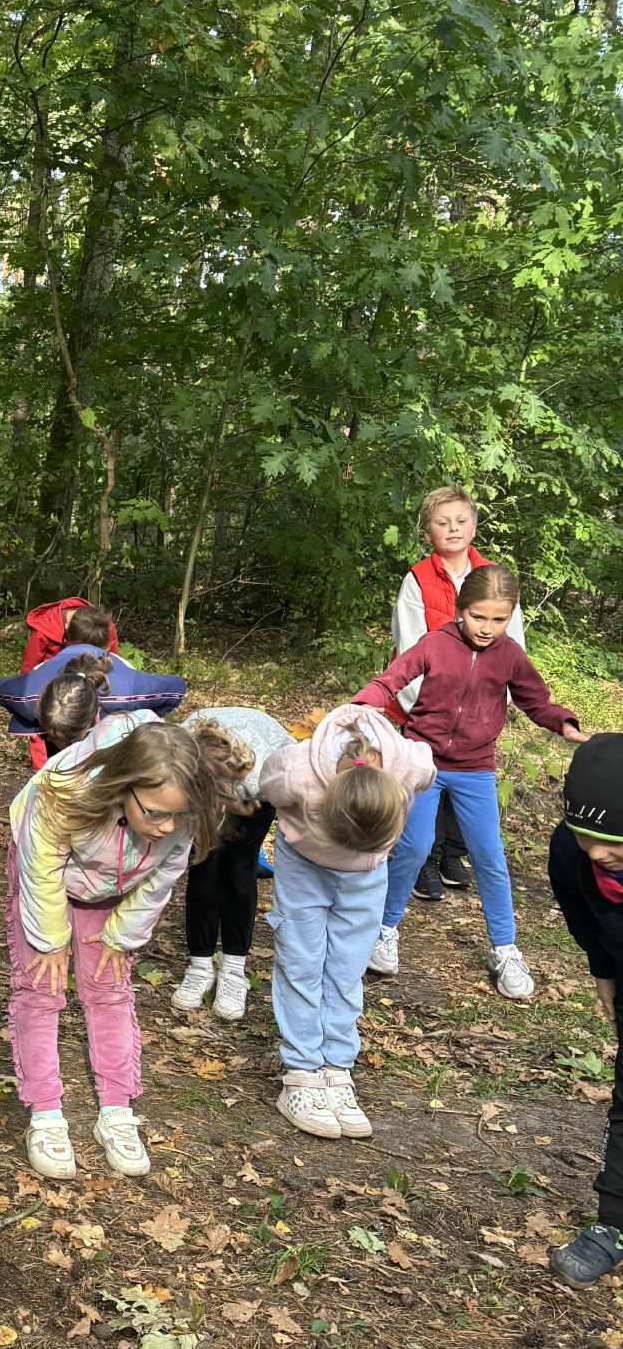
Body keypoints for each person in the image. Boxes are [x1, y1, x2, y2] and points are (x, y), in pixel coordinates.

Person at [358, 564, 587, 1000]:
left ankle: (505, 949)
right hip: (423, 760)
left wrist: (563, 723)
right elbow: (392, 679)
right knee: (413, 846)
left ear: (510, 617)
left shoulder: (509, 655)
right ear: (461, 609)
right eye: (478, 616)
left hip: (475, 768)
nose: (487, 628)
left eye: (499, 619)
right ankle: (384, 931)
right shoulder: (435, 644)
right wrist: (363, 704)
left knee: (489, 856)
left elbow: (536, 701)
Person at [8, 719, 224, 1182]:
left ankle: (117, 1110)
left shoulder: (180, 810)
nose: (167, 827)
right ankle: (45, 1113)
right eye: (156, 815)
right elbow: (42, 866)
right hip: (47, 876)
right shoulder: (64, 793)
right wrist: (50, 940)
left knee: (108, 989)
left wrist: (120, 935)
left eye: (178, 816)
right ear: (125, 787)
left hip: (113, 890)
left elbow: (162, 878)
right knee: (40, 988)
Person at [259, 707, 432, 1138]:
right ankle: (302, 1073)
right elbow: (267, 783)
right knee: (301, 961)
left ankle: (336, 1068)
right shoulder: (299, 770)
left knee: (346, 967)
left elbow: (428, 766)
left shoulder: (407, 764)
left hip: (366, 878)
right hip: (305, 867)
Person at [393, 486, 526, 902]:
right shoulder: (417, 580)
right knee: (428, 777)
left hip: (479, 705)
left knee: (467, 779)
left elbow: (513, 645)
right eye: (442, 522)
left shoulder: (495, 577)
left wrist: (496, 703)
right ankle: (425, 859)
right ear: (428, 530)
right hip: (428, 707)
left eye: (461, 521)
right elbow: (410, 648)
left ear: (474, 525)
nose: (453, 529)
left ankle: (452, 854)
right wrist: (426, 708)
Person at [547, 738, 623, 1285]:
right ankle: (614, 1224)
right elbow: (582, 916)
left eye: (613, 843)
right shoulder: (571, 855)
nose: (597, 854)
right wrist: (604, 971)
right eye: (585, 837)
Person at [168, 709, 294, 1021]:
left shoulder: (265, 778)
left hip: (259, 776)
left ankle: (234, 971)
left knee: (239, 870)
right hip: (206, 774)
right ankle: (200, 966)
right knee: (203, 866)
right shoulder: (181, 764)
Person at [0, 646, 185, 763]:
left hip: (113, 695)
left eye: (64, 739)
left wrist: (141, 723)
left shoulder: (129, 695)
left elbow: (177, 689)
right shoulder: (26, 697)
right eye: (52, 735)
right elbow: (0, 689)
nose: (52, 738)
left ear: (94, 717)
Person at [17, 602, 121, 769]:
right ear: (66, 633)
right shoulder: (44, 631)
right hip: (50, 695)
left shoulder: (104, 627)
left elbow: (113, 666)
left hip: (90, 692)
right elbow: (27, 675)